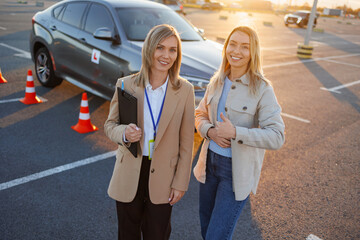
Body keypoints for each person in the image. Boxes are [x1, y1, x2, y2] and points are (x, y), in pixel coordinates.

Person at [193, 26, 285, 240]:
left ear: (253, 53)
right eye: (232, 44)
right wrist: (210, 131)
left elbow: (277, 136)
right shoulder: (217, 80)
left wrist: (236, 132)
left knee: (217, 235)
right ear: (225, 47)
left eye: (245, 47)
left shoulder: (262, 88)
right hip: (209, 164)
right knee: (206, 228)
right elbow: (199, 115)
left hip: (235, 172)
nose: (237, 51)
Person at [104, 24, 195, 240]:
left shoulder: (185, 91)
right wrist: (125, 133)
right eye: (160, 48)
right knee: (127, 234)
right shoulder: (126, 85)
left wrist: (181, 183)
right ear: (149, 50)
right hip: (130, 173)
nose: (166, 55)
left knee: (157, 235)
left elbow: (187, 142)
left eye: (173, 50)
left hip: (164, 176)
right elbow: (109, 126)